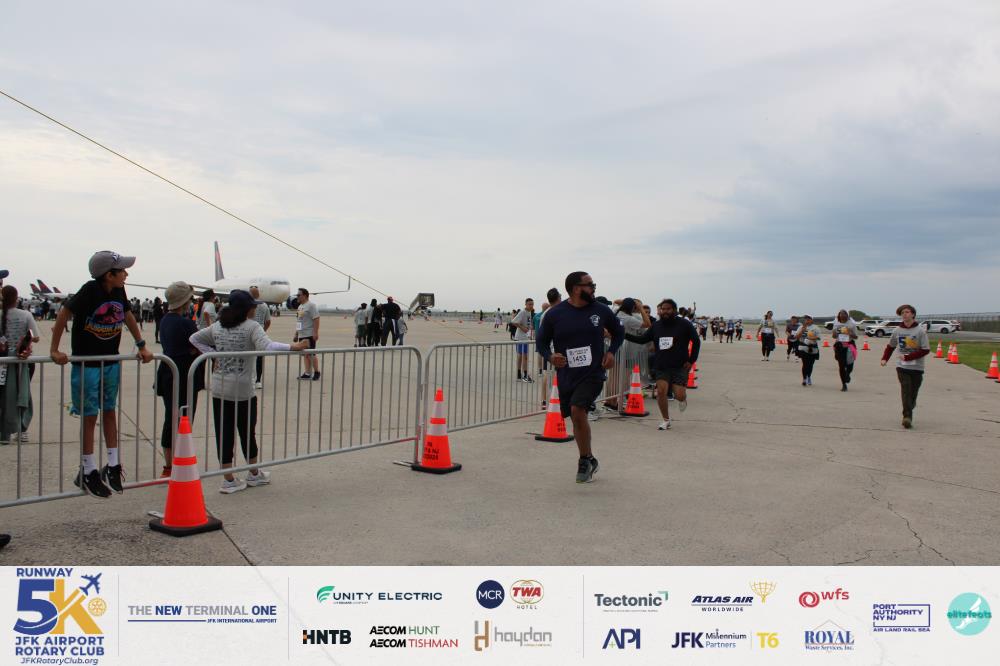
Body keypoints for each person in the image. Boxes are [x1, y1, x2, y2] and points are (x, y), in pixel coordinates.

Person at [50, 251, 154, 498]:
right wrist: (54, 349)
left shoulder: (118, 291)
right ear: (109, 275)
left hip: (110, 361)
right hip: (88, 364)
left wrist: (141, 345)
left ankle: (113, 464)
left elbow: (127, 315)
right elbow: (64, 313)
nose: (126, 274)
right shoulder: (89, 290)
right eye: (122, 270)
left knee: (109, 411)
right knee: (89, 416)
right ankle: (88, 470)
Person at [190, 290, 309, 493]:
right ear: (246, 309)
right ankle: (253, 473)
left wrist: (213, 355)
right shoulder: (252, 326)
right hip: (243, 390)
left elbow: (194, 338)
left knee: (224, 432)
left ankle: (228, 479)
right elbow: (268, 346)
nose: (255, 308)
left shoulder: (218, 325)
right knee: (247, 432)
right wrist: (293, 347)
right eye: (253, 305)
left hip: (220, 389)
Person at [535, 271, 624, 483]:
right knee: (576, 416)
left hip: (593, 373)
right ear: (576, 289)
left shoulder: (601, 310)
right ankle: (589, 458)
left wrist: (611, 352)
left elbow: (619, 333)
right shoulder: (555, 314)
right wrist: (550, 356)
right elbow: (541, 342)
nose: (593, 288)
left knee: (577, 409)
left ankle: (584, 461)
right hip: (567, 374)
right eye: (590, 285)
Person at [624, 299, 700, 430]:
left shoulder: (684, 324)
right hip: (661, 365)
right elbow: (642, 339)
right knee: (661, 392)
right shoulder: (656, 326)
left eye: (668, 309)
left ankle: (683, 399)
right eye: (663, 309)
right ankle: (666, 420)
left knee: (679, 395)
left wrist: (691, 360)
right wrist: (623, 335)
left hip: (680, 365)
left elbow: (696, 341)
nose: (665, 311)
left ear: (674, 310)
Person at [155, 282, 204, 477]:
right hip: (184, 375)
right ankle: (180, 462)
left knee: (170, 419)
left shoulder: (165, 320)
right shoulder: (186, 323)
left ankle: (168, 465)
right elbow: (198, 345)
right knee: (184, 420)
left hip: (167, 373)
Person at [880, 304, 930, 429]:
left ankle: (910, 406)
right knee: (906, 389)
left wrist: (909, 357)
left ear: (913, 314)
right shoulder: (897, 331)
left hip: (917, 367)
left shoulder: (920, 331)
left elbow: (925, 350)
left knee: (913, 393)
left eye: (907, 312)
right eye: (902, 313)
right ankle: (907, 417)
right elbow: (891, 346)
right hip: (902, 367)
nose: (905, 314)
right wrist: (885, 358)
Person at [1, 285, 39, 444]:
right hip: (23, 361)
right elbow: (36, 337)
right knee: (23, 395)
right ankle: (22, 430)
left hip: (3, 363)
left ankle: (4, 433)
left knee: (4, 396)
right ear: (16, 298)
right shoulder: (26, 315)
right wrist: (23, 341)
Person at [294, 288, 320, 380]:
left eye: (298, 295)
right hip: (302, 334)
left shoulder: (311, 305)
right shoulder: (300, 307)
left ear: (304, 295)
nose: (297, 297)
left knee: (311, 354)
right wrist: (296, 334)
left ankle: (317, 372)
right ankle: (307, 373)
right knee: (305, 354)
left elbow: (316, 319)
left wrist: (315, 332)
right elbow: (299, 321)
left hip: (309, 334)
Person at [249, 286, 271, 389]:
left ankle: (251, 379)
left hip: (249, 333)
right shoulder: (264, 305)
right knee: (259, 358)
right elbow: (268, 321)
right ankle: (258, 380)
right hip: (260, 332)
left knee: (249, 357)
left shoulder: (248, 304)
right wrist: (263, 330)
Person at [831, 309, 859, 391]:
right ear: (839, 316)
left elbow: (856, 337)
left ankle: (848, 374)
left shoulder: (851, 324)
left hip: (849, 345)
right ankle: (844, 384)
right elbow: (833, 336)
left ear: (847, 315)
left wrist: (849, 333)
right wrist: (835, 332)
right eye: (841, 314)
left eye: (844, 314)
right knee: (841, 365)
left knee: (850, 365)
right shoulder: (836, 324)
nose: (842, 316)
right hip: (839, 346)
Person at [791, 314, 822, 386]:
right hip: (803, 347)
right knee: (805, 364)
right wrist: (802, 331)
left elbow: (819, 338)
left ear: (811, 320)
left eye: (808, 319)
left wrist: (812, 337)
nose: (807, 320)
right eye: (806, 319)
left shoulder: (816, 328)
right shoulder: (801, 327)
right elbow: (796, 337)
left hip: (813, 347)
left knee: (810, 364)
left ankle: (809, 377)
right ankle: (804, 379)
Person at [511, 299, 535, 382]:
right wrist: (523, 328)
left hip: (525, 338)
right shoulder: (523, 312)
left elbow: (527, 323)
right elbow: (513, 321)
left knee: (522, 356)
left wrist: (530, 328)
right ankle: (524, 375)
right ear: (525, 304)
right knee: (523, 356)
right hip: (521, 338)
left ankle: (519, 375)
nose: (531, 306)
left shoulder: (529, 312)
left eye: (532, 304)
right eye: (529, 304)